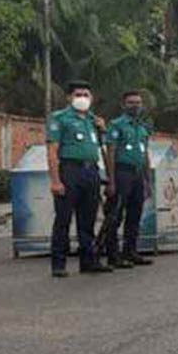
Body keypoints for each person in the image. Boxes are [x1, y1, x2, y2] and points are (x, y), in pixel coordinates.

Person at [46, 80, 113, 277]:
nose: (82, 98)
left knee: (88, 219)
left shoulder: (93, 120)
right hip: (70, 170)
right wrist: (56, 180)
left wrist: (103, 128)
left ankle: (88, 260)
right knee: (63, 219)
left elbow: (104, 146)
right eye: (78, 95)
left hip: (91, 171)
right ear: (69, 97)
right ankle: (58, 264)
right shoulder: (59, 118)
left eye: (86, 95)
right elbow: (52, 152)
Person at [101, 90, 155, 269]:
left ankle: (130, 251)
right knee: (115, 215)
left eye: (138, 103)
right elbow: (111, 152)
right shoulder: (116, 125)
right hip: (121, 173)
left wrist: (147, 182)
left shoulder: (142, 128)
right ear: (123, 105)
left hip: (138, 173)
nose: (136, 106)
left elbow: (145, 154)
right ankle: (112, 255)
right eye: (131, 102)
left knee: (135, 214)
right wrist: (111, 179)